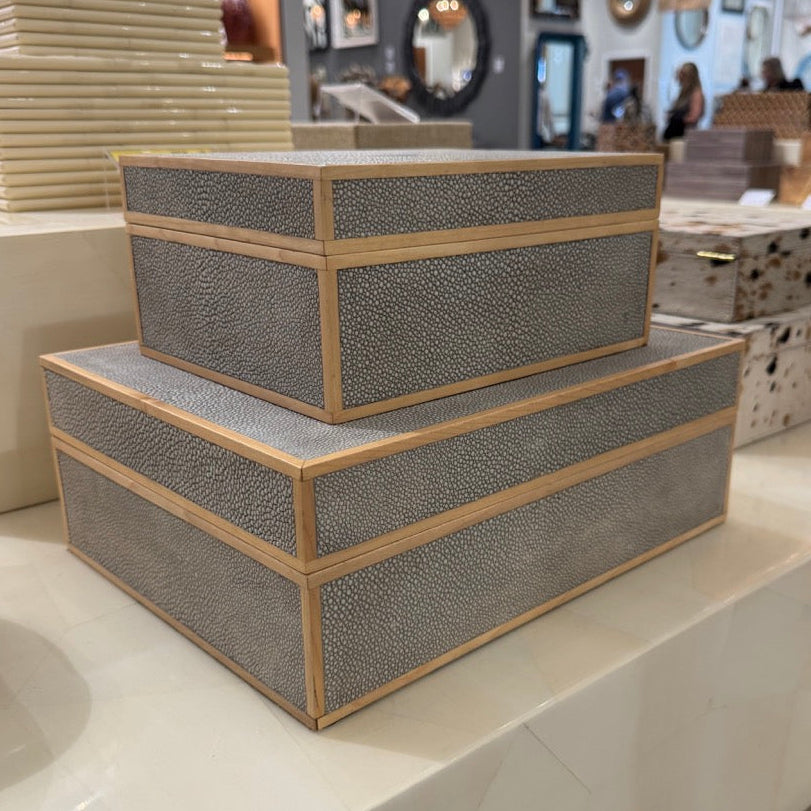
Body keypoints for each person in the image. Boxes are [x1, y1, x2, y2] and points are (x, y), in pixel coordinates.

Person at [663, 62, 704, 141]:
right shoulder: (682, 94)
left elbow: (693, 117)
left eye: (683, 75)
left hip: (684, 135)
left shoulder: (696, 94)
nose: (679, 79)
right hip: (673, 134)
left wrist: (677, 119)